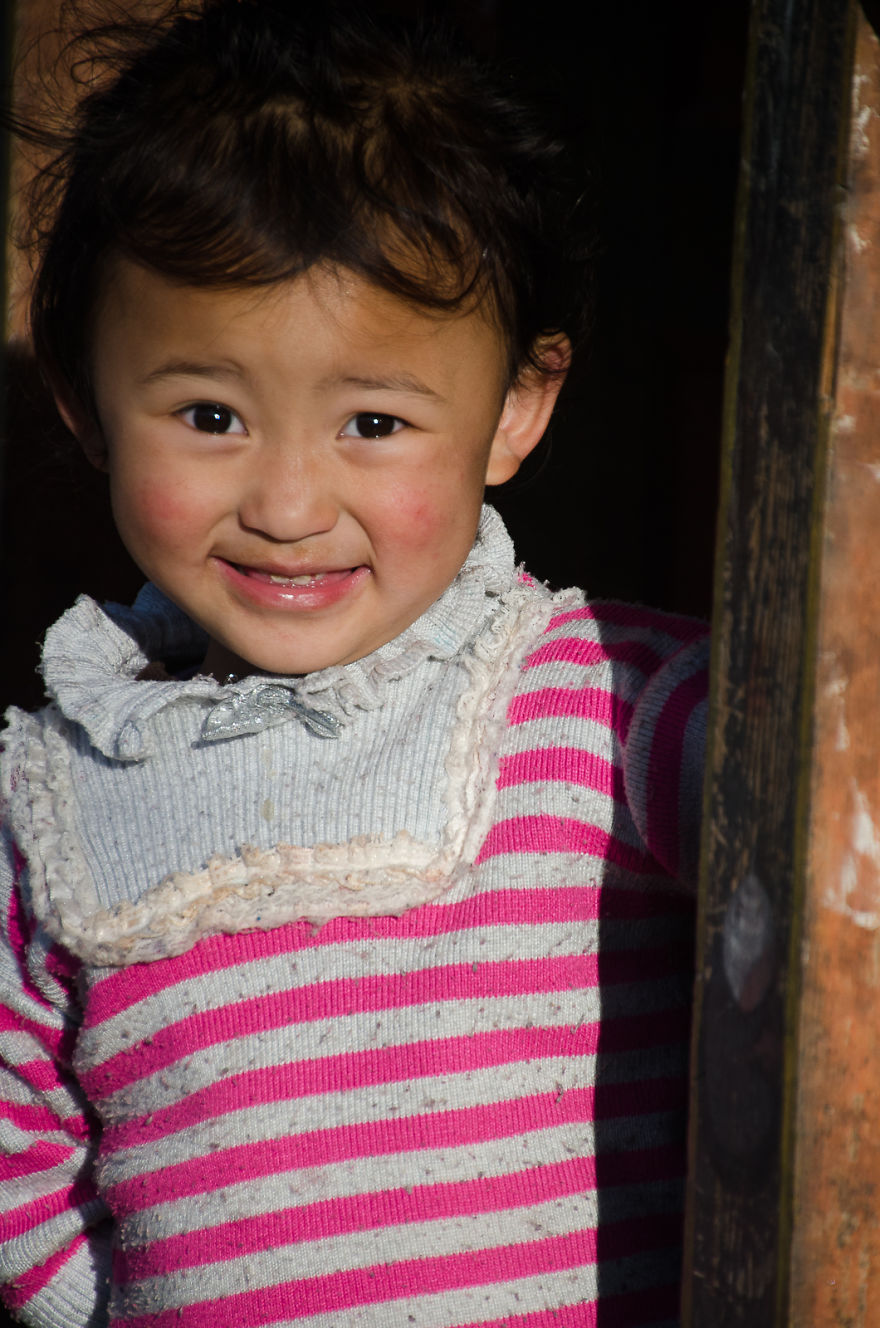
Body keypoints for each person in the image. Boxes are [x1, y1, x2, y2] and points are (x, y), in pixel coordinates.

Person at [0, 3, 708, 1324]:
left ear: (515, 411)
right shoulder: (52, 805)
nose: (286, 500)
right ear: (86, 404)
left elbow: (825, 832)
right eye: (210, 415)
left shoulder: (611, 700)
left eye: (373, 422)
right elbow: (25, 1179)